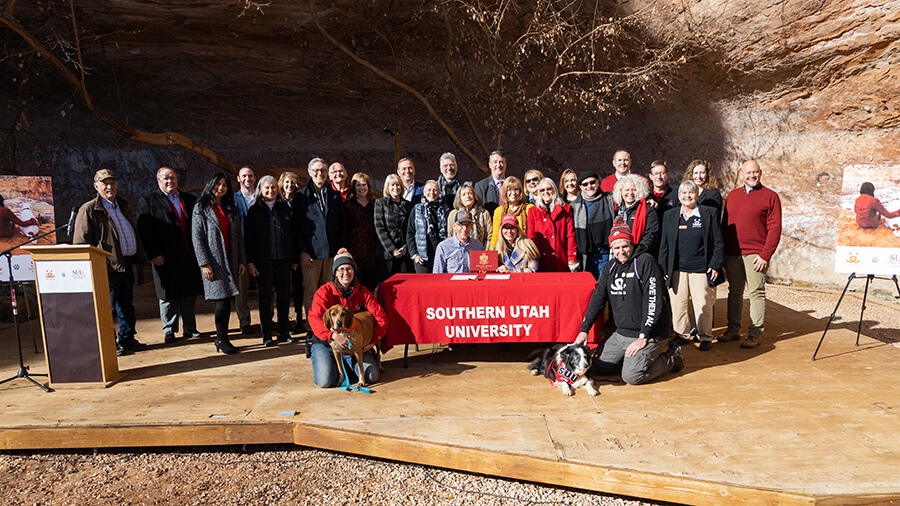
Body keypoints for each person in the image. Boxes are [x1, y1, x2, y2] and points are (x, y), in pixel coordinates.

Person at [574, 223, 683, 385]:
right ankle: (631, 359)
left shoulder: (646, 262)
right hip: (622, 333)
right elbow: (597, 299)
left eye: (625, 246)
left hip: (651, 333)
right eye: (616, 248)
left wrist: (643, 336)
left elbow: (654, 301)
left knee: (632, 376)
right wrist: (584, 330)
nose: (621, 251)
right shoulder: (610, 267)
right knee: (594, 367)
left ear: (632, 244)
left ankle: (673, 356)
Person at [73, 169, 147, 355]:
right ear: (96, 186)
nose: (109, 187)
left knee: (126, 305)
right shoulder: (89, 209)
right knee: (108, 308)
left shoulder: (122, 205)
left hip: (125, 263)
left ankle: (127, 338)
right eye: (104, 183)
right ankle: (108, 343)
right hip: (105, 268)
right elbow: (81, 242)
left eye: (112, 183)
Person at [136, 167, 203, 344]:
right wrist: (153, 254)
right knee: (167, 295)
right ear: (158, 181)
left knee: (189, 293)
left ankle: (190, 327)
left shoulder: (189, 200)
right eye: (165, 178)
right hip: (164, 256)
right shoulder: (148, 201)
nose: (169, 181)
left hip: (188, 254)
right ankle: (169, 330)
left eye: (172, 178)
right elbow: (144, 230)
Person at [720, 160, 782, 348]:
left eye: (755, 172)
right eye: (748, 173)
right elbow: (725, 226)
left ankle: (754, 333)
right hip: (733, 254)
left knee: (756, 293)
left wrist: (765, 255)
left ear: (760, 173)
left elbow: (775, 229)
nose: (752, 176)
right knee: (734, 291)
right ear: (742, 174)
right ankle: (733, 330)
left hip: (756, 255)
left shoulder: (770, 197)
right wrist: (723, 253)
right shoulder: (732, 196)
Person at [658, 181, 724, 352]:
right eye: (684, 193)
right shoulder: (670, 215)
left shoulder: (708, 214)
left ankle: (705, 337)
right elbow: (664, 245)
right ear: (679, 196)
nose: (687, 196)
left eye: (691, 193)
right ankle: (682, 335)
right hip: (677, 269)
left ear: (697, 195)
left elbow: (718, 243)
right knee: (678, 305)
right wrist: (664, 269)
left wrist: (715, 265)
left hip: (701, 268)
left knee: (703, 304)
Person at [308, 249, 388, 388]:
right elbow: (314, 318)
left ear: (354, 271)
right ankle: (335, 365)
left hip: (353, 344)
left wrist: (374, 340)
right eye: (341, 269)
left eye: (349, 269)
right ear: (335, 272)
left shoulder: (362, 291)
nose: (346, 273)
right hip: (326, 343)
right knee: (325, 381)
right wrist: (332, 335)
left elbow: (381, 317)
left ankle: (348, 364)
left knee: (372, 376)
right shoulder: (324, 292)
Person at [191, 173, 246, 354]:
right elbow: (197, 237)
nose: (221, 188)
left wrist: (242, 260)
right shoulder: (201, 207)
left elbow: (238, 237)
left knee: (228, 299)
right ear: (211, 185)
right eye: (217, 184)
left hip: (231, 258)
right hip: (214, 261)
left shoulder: (230, 207)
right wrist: (204, 263)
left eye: (224, 185)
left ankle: (222, 337)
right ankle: (221, 339)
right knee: (222, 300)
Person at [245, 175, 302, 346]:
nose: (270, 191)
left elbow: (292, 234)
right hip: (263, 262)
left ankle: (284, 332)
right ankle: (267, 334)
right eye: (267, 188)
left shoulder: (284, 208)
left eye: (273, 187)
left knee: (283, 297)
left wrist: (293, 258)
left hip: (283, 260)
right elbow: (249, 239)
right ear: (261, 190)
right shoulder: (254, 211)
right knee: (264, 299)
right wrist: (250, 262)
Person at [296, 158, 349, 331]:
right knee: (311, 292)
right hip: (311, 254)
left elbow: (342, 224)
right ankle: (313, 326)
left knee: (330, 291)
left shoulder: (334, 196)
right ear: (310, 172)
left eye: (323, 171)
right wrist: (302, 251)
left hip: (332, 253)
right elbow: (295, 227)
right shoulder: (301, 196)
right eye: (317, 170)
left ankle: (329, 325)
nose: (320, 174)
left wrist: (341, 248)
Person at [571, 171, 616, 278]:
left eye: (592, 182)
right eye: (585, 184)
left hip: (605, 253)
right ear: (580, 187)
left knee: (602, 288)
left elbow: (629, 196)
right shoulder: (574, 206)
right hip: (585, 256)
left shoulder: (610, 199)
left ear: (598, 183)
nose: (589, 186)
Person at [527, 178, 577, 272]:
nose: (545, 192)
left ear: (554, 189)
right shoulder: (533, 211)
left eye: (548, 189)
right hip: (541, 259)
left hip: (560, 259)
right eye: (542, 190)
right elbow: (531, 238)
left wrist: (572, 259)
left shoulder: (566, 209)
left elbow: (570, 236)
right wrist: (531, 260)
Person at [278, 171, 304, 334]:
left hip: (298, 250)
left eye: (292, 183)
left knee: (298, 287)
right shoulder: (278, 202)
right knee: (282, 289)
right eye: (287, 182)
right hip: (282, 252)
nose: (289, 186)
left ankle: (299, 319)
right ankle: (284, 320)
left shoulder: (299, 201)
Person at [374, 174, 413, 280]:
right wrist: (392, 249)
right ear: (387, 187)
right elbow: (379, 227)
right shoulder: (380, 203)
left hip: (404, 250)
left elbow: (410, 229)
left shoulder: (408, 205)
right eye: (392, 185)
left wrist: (405, 247)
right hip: (386, 252)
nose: (395, 188)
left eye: (398, 185)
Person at [233, 166, 257, 335]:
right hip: (241, 250)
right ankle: (244, 321)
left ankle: (267, 319)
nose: (247, 178)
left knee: (266, 287)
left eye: (250, 176)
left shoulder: (263, 196)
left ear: (255, 178)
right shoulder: (233, 199)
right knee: (241, 288)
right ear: (238, 179)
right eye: (244, 176)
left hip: (261, 249)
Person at [345, 172, 378, 290]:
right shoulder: (348, 205)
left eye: (364, 185)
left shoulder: (374, 205)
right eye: (358, 185)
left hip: (372, 253)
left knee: (371, 285)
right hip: (355, 251)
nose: (361, 188)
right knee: (355, 286)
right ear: (353, 187)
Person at [612, 174, 659, 258]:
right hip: (617, 254)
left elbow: (651, 234)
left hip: (639, 255)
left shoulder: (648, 209)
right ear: (621, 191)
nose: (630, 193)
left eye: (634, 190)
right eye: (627, 190)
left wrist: (636, 251)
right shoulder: (615, 209)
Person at [407, 180, 449, 273]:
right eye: (429, 190)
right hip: (423, 257)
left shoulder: (445, 209)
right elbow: (410, 233)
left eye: (435, 190)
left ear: (439, 192)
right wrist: (414, 254)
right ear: (424, 192)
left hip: (441, 255)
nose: (432, 193)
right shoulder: (417, 209)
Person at [488, 176, 533, 249]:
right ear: (505, 191)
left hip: (524, 249)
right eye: (509, 189)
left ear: (520, 191)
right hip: (505, 251)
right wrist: (492, 255)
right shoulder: (498, 211)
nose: (513, 193)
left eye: (516, 189)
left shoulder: (529, 209)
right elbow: (495, 236)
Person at [474, 150, 507, 215]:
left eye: (501, 162)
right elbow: (479, 211)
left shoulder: (513, 184)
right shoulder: (480, 186)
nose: (498, 165)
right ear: (490, 165)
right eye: (495, 162)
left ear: (505, 164)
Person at [648, 160, 677, 224]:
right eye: (656, 174)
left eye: (662, 173)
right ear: (651, 176)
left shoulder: (675, 195)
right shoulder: (646, 195)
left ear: (667, 174)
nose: (659, 177)